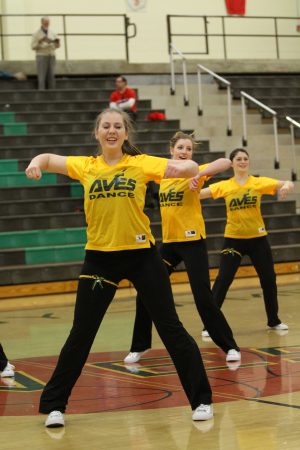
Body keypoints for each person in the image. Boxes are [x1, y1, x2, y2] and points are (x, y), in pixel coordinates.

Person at [25, 109, 214, 428]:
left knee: (170, 327)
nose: (111, 131)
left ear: (126, 133)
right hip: (100, 258)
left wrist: (189, 167)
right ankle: (55, 405)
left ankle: (202, 400)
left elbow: (188, 166)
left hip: (142, 256)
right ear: (96, 133)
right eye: (105, 126)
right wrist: (35, 163)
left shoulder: (141, 164)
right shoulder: (85, 166)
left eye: (117, 126)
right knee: (81, 333)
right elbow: (46, 157)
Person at [124, 132, 241, 367]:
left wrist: (200, 173)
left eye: (188, 149)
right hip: (170, 244)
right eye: (180, 148)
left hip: (193, 243)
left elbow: (225, 162)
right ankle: (140, 345)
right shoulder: (163, 174)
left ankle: (229, 346)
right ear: (172, 150)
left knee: (202, 298)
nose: (184, 152)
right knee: (146, 291)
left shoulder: (195, 172)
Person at [193, 148, 294, 335]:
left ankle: (274, 320)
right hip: (233, 240)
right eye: (238, 159)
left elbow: (287, 183)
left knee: (269, 279)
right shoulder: (225, 185)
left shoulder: (257, 183)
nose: (242, 161)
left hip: (258, 240)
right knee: (223, 280)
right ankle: (210, 325)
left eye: (245, 158)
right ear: (232, 163)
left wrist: (287, 186)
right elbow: (198, 195)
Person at [31, 16, 60, 90]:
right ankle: (42, 93)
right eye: (45, 23)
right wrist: (40, 42)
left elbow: (57, 45)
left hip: (51, 55)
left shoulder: (53, 32)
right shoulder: (36, 34)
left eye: (48, 23)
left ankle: (52, 93)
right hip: (41, 56)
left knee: (51, 76)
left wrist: (57, 44)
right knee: (42, 76)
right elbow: (33, 47)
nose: (47, 24)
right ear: (41, 23)